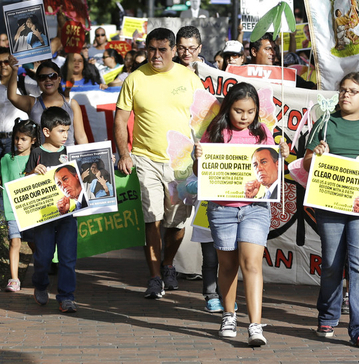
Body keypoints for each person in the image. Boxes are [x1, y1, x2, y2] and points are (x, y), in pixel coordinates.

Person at [302, 72, 359, 347]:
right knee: (331, 263)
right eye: (343, 90)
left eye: (353, 91)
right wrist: (315, 155)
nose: (345, 95)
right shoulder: (326, 122)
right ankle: (328, 316)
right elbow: (306, 163)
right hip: (330, 205)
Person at [193, 82, 288, 347]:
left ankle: (255, 325)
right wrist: (198, 157)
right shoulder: (215, 132)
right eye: (238, 111)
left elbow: (272, 174)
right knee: (228, 266)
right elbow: (201, 175)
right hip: (222, 209)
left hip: (255, 209)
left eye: (250, 111)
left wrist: (282, 156)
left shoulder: (262, 132)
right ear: (228, 108)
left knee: (252, 264)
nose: (245, 117)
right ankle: (229, 315)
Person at [115, 27, 205, 299]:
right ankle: (154, 277)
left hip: (182, 164)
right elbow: (120, 119)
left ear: (174, 50)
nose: (155, 55)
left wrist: (204, 154)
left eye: (162, 49)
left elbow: (204, 120)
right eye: (151, 49)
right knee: (151, 218)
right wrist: (124, 152)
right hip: (145, 159)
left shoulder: (190, 79)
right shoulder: (134, 79)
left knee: (176, 223)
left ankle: (168, 265)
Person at [25, 106, 78, 313]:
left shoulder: (70, 153)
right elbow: (25, 184)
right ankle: (40, 284)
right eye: (61, 131)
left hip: (67, 215)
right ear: (46, 132)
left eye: (67, 130)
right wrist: (32, 172)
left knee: (67, 257)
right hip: (44, 216)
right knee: (44, 256)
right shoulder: (36, 153)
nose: (65, 136)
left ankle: (66, 297)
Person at [0, 47, 40, 169]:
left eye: (7, 62)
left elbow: (41, 91)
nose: (3, 65)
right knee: (1, 173)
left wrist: (37, 72)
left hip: (17, 139)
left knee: (16, 172)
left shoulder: (23, 81)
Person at [0, 118, 39, 292]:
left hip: (32, 210)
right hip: (13, 209)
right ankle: (14, 279)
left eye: (24, 139)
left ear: (33, 140)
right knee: (15, 242)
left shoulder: (38, 158)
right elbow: (2, 179)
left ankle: (40, 272)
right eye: (16, 138)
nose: (19, 142)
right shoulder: (7, 159)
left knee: (35, 243)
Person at [6, 59, 88, 146]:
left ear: (59, 79)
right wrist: (14, 71)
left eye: (52, 76)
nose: (48, 80)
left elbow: (81, 136)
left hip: (67, 156)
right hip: (40, 157)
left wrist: (89, 158)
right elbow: (12, 96)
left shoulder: (72, 104)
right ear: (38, 81)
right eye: (42, 77)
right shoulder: (32, 103)